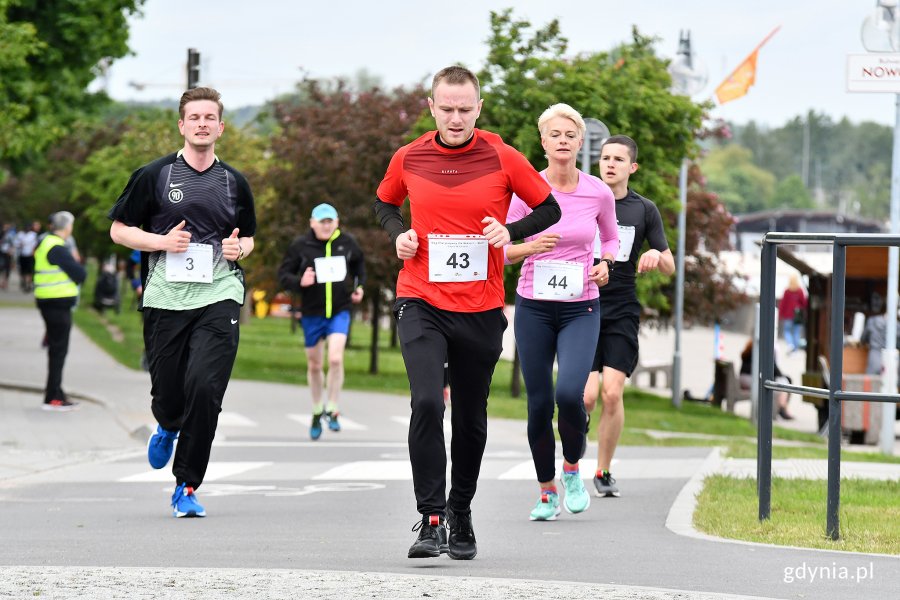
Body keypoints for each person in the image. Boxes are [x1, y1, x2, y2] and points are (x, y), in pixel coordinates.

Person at [374, 65, 561, 560]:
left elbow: (549, 210)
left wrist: (510, 232)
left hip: (480, 306)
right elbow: (384, 204)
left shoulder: (501, 155)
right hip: (420, 296)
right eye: (446, 108)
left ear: (478, 108)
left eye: (465, 109)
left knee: (471, 416)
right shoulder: (409, 156)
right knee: (429, 402)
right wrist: (398, 233)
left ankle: (461, 510)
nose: (455, 118)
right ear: (431, 106)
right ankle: (431, 516)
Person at [108, 87, 256, 518]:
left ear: (221, 127)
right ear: (182, 125)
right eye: (195, 117)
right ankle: (167, 422)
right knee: (170, 393)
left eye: (210, 117)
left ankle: (186, 485)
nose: (203, 124)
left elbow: (246, 236)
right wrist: (161, 242)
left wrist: (239, 251)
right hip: (166, 296)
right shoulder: (153, 175)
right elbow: (119, 230)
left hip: (219, 293)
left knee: (206, 388)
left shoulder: (234, 183)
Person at [504, 103, 618, 521]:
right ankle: (546, 491)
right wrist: (527, 247)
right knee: (538, 404)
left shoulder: (597, 191)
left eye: (571, 134)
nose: (564, 141)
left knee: (569, 394)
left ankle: (572, 467)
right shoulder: (526, 190)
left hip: (580, 306)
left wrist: (606, 263)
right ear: (544, 142)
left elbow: (610, 240)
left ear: (580, 141)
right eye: (556, 135)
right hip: (534, 306)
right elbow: (502, 251)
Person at [582, 135, 675, 498]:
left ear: (632, 167)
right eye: (605, 157)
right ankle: (573, 453)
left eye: (619, 159)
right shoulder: (585, 200)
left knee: (611, 394)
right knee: (587, 397)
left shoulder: (644, 210)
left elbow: (670, 265)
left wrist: (655, 257)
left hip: (621, 310)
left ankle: (603, 470)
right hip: (584, 305)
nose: (610, 164)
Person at [277, 203, 366, 440]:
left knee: (335, 358)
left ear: (337, 222)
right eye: (322, 221)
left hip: (340, 309)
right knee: (315, 365)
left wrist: (359, 287)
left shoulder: (348, 243)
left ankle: (332, 408)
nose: (326, 225)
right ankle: (317, 410)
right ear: (312, 223)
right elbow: (283, 275)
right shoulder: (300, 245)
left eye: (330, 221)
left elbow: (359, 265)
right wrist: (300, 282)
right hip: (312, 312)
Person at [33, 211, 86, 411]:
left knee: (56, 349)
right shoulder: (57, 247)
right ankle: (53, 397)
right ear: (67, 227)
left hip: (49, 301)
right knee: (58, 350)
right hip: (57, 303)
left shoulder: (45, 242)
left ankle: (55, 392)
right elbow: (80, 274)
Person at [739, 339, 793, 420]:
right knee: (783, 382)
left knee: (784, 380)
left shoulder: (750, 348)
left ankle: (782, 407)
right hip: (751, 380)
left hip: (743, 378)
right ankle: (782, 406)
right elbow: (774, 369)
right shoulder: (764, 351)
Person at [778, 274, 807, 353]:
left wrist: (780, 314)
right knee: (796, 332)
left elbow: (783, 303)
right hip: (797, 315)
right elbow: (804, 303)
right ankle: (795, 350)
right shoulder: (800, 290)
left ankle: (790, 344)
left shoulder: (787, 291)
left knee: (787, 331)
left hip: (788, 315)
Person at [17, 221, 41, 292]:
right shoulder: (20, 234)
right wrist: (20, 245)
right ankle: (24, 281)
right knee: (23, 270)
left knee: (29, 270)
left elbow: (36, 245)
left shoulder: (33, 235)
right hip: (22, 254)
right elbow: (16, 243)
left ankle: (29, 284)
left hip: (30, 255)